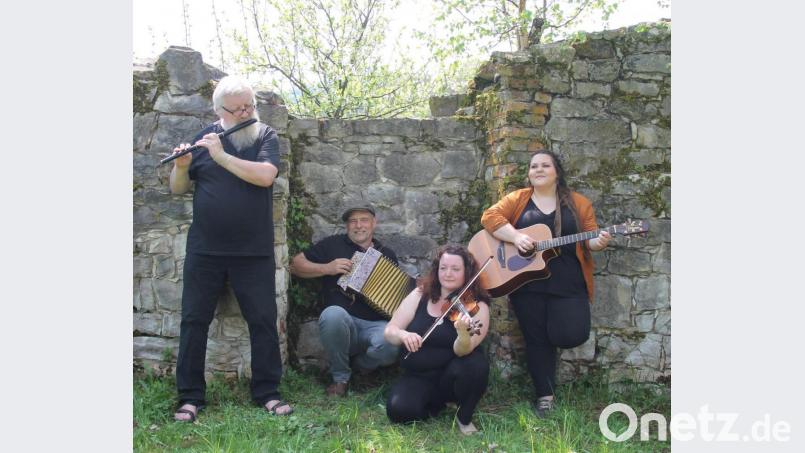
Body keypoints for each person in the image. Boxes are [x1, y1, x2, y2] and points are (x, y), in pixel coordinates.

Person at [168, 75, 292, 421]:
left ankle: (267, 392)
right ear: (219, 110)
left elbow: (266, 176)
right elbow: (178, 189)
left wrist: (221, 156)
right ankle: (190, 397)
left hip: (253, 252)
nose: (245, 112)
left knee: (264, 321)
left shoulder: (265, 136)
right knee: (194, 321)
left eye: (249, 105)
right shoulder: (203, 139)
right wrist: (181, 167)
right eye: (237, 108)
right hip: (205, 251)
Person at [480, 150, 611, 418]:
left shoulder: (578, 203)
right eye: (533, 166)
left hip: (568, 281)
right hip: (526, 281)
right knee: (535, 339)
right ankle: (545, 396)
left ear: (557, 172)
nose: (538, 169)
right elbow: (490, 218)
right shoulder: (518, 199)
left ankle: (549, 352)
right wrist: (516, 237)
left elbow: (590, 238)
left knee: (572, 333)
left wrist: (598, 242)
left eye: (545, 165)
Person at [290, 204, 401, 396]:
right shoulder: (332, 244)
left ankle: (361, 368)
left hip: (374, 325)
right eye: (353, 221)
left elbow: (394, 296)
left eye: (364, 220)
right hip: (342, 323)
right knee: (332, 314)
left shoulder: (387, 254)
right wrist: (327, 268)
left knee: (393, 342)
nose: (358, 225)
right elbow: (295, 265)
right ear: (347, 226)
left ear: (374, 223)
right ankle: (340, 378)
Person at [384, 245, 491, 435]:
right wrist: (403, 335)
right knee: (398, 411)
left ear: (467, 272)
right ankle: (437, 403)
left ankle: (464, 417)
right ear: (437, 269)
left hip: (451, 376)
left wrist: (463, 334)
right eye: (443, 268)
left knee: (475, 364)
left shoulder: (477, 306)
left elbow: (463, 350)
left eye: (455, 269)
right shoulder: (420, 295)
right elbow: (390, 331)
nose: (448, 274)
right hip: (419, 375)